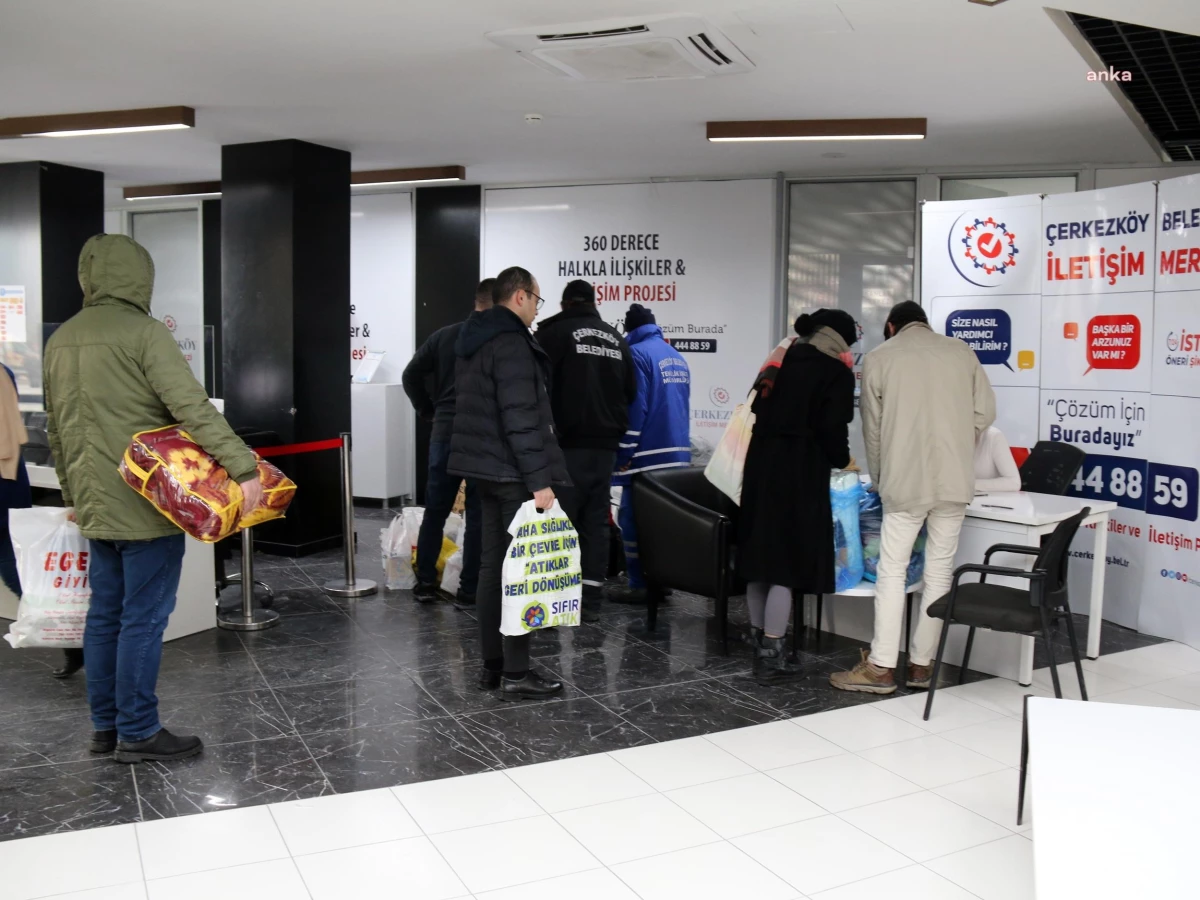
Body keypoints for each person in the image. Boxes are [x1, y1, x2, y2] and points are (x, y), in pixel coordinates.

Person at [44, 234, 263, 763]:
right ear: (141, 277)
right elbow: (193, 408)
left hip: (96, 506)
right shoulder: (145, 335)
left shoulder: (61, 339)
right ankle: (138, 731)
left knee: (105, 616)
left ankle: (106, 727)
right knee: (142, 619)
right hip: (146, 504)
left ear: (88, 276)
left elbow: (57, 430)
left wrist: (74, 494)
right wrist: (242, 466)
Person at [831, 300, 995, 695]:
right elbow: (985, 412)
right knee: (938, 573)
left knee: (891, 572)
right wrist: (958, 441)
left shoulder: (882, 358)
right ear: (924, 323)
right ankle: (922, 666)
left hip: (904, 484)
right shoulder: (961, 351)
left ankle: (881, 668)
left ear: (891, 326)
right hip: (954, 482)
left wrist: (883, 478)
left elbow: (872, 429)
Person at [448, 266, 569, 700]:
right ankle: (517, 673)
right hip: (513, 473)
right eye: (537, 299)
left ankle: (492, 667)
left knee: (490, 569)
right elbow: (520, 418)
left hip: (483, 470)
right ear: (519, 296)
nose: (539, 308)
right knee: (522, 574)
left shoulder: (473, 339)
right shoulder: (513, 343)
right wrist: (540, 481)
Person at [739, 310, 858, 685]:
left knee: (760, 556)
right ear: (838, 339)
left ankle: (759, 637)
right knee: (786, 563)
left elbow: (757, 409)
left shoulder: (778, 360)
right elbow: (831, 428)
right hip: (799, 471)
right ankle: (772, 652)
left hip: (760, 467)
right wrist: (844, 461)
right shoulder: (834, 371)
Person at [536, 279, 635, 623]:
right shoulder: (616, 338)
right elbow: (631, 392)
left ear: (564, 304)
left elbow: (535, 387)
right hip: (606, 447)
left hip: (566, 446)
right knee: (595, 522)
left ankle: (552, 603)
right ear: (594, 303)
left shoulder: (552, 334)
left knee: (558, 523)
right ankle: (590, 600)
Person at [402, 278, 492, 607]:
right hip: (481, 434)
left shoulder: (444, 336)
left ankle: (425, 582)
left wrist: (428, 409)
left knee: (436, 510)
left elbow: (410, 374)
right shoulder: (497, 340)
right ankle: (469, 590)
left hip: (444, 430)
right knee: (479, 514)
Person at [609, 304, 691, 604]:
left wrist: (623, 455)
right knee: (661, 524)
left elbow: (636, 410)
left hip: (647, 456)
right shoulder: (677, 357)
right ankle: (662, 580)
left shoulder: (637, 356)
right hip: (678, 456)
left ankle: (638, 583)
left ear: (629, 330)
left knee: (631, 521)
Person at [975, 425, 1021, 493]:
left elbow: (1013, 482)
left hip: (990, 500)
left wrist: (969, 485)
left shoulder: (993, 435)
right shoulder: (954, 438)